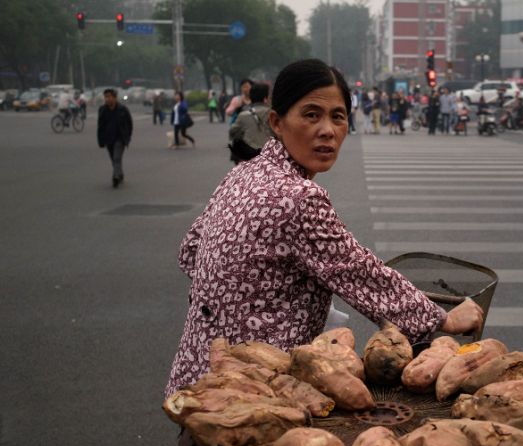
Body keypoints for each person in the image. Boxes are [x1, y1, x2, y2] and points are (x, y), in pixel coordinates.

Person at [164, 59, 483, 398]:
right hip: (251, 389)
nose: (328, 130)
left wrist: (247, 295)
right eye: (311, 115)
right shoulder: (298, 196)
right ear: (277, 122)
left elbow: (190, 252)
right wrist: (440, 320)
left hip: (195, 374)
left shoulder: (243, 173)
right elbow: (356, 271)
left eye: (338, 116)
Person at [228, 83, 273, 164]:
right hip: (271, 156)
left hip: (249, 157)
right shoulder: (273, 115)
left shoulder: (243, 114)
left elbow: (232, 132)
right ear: (265, 98)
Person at [97, 88, 133, 188]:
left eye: (109, 97)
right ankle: (120, 173)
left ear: (115, 98)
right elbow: (100, 126)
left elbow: (129, 124)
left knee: (117, 157)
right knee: (114, 159)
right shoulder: (103, 110)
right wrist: (100, 140)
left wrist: (128, 136)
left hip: (120, 138)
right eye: (106, 97)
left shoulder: (123, 109)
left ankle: (115, 176)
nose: (107, 99)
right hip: (108, 138)